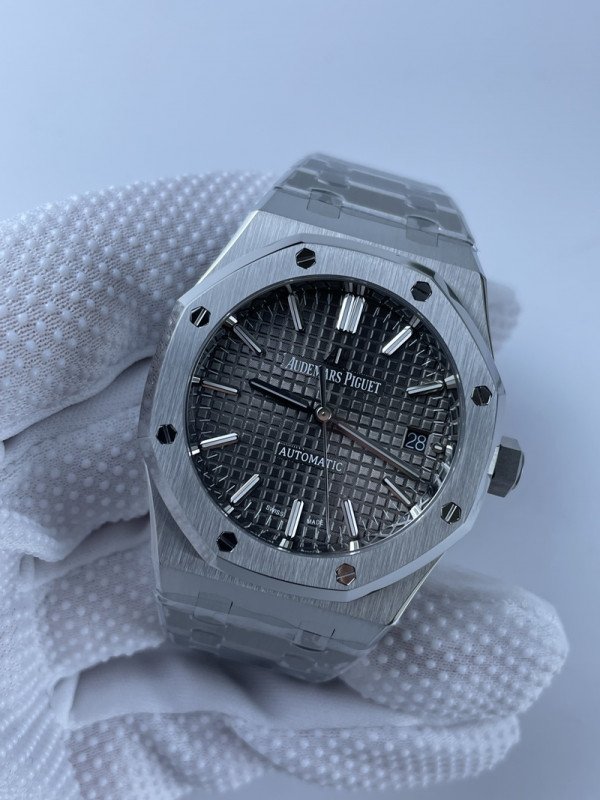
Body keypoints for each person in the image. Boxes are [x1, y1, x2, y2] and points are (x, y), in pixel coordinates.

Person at [0, 171, 568, 799]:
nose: (324, 417)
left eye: (334, 418)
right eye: (321, 414)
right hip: (223, 485)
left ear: (490, 464)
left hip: (322, 532)